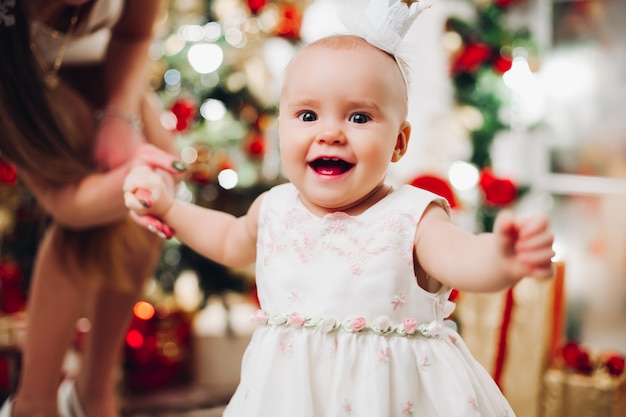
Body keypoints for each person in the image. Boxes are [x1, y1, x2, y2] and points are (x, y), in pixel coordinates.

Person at [123, 1, 555, 415]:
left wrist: (501, 258)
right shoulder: (274, 209)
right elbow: (227, 238)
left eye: (359, 118)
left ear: (399, 143)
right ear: (280, 130)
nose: (330, 133)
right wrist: (167, 207)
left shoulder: (413, 216)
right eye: (307, 116)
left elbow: (461, 258)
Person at [0, 1, 183, 416]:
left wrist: (119, 117)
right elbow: (69, 207)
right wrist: (124, 175)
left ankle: (94, 391)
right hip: (17, 78)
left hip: (101, 57)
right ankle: (34, 403)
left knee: (147, 199)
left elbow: (135, 32)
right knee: (98, 210)